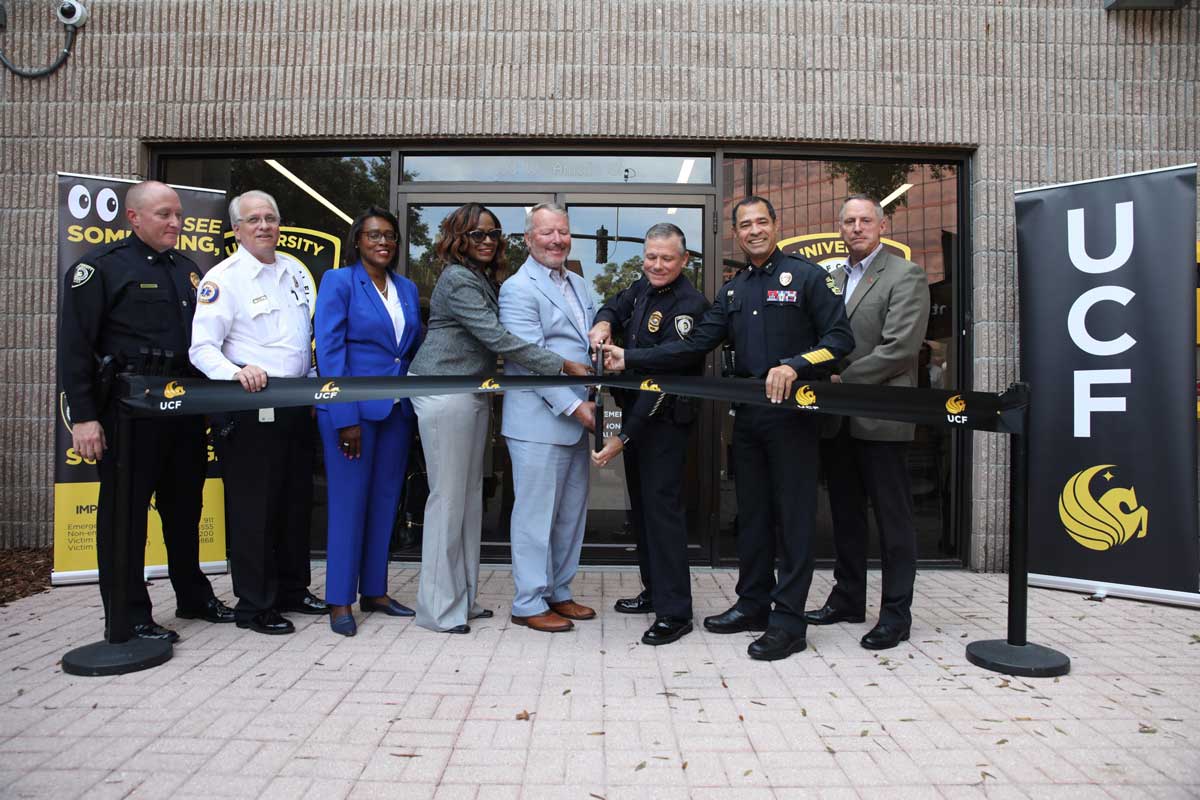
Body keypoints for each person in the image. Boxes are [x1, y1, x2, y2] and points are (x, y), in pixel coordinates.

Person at [603, 196, 854, 661]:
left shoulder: (806, 277)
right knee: (753, 515)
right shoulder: (733, 291)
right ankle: (753, 604)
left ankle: (788, 621)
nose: (753, 230)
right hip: (749, 417)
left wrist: (796, 365)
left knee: (794, 520)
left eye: (761, 222)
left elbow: (840, 340)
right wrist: (631, 357)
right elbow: (694, 344)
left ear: (775, 225)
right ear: (736, 233)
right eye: (744, 224)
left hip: (794, 416)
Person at [58, 180, 235, 643]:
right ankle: (129, 612)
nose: (175, 222)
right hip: (129, 411)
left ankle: (193, 596)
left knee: (185, 507)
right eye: (163, 214)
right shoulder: (99, 269)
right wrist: (84, 416)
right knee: (125, 514)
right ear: (134, 217)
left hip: (184, 406)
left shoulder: (189, 270)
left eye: (177, 214)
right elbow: (75, 348)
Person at [408, 203, 592, 634]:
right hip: (445, 391)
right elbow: (501, 339)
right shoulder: (462, 279)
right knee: (448, 502)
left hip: (471, 393)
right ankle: (439, 609)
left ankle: (465, 602)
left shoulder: (484, 279)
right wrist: (564, 366)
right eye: (477, 235)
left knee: (468, 501)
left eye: (492, 234)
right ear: (457, 238)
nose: (487, 241)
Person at [190, 190, 328, 635]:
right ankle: (254, 604)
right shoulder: (223, 279)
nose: (265, 226)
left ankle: (292, 588)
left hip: (294, 405)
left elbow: (297, 340)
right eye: (254, 220)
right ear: (237, 229)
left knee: (293, 502)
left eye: (271, 217)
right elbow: (201, 349)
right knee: (254, 510)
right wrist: (235, 373)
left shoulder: (292, 271)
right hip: (250, 410)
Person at [804, 195, 931, 650]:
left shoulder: (905, 274)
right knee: (846, 515)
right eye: (849, 221)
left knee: (893, 521)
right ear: (840, 228)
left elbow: (900, 348)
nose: (857, 228)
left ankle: (896, 614)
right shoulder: (833, 277)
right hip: (838, 419)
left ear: (883, 224)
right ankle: (847, 599)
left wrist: (839, 379)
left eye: (865, 220)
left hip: (880, 416)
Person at [588, 223, 709, 646]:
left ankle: (676, 612)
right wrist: (603, 323)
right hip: (639, 417)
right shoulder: (642, 287)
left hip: (663, 425)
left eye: (666, 258)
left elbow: (666, 374)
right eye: (651, 257)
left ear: (684, 260)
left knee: (663, 517)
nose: (657, 265)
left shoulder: (690, 304)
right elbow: (613, 305)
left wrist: (624, 438)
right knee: (641, 512)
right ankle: (654, 591)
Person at [313, 208, 423, 637]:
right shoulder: (339, 282)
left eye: (390, 236)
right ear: (357, 239)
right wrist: (345, 415)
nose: (383, 242)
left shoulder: (407, 288)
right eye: (374, 235)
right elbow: (331, 349)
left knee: (384, 503)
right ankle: (339, 599)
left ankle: (374, 591)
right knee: (348, 504)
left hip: (395, 410)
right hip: (352, 414)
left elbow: (405, 352)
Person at [498, 202, 598, 633]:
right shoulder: (517, 289)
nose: (557, 240)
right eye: (546, 233)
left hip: (580, 420)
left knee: (570, 516)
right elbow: (528, 362)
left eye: (563, 232)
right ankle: (527, 602)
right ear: (528, 239)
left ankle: (559, 591)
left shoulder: (577, 281)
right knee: (535, 518)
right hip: (540, 422)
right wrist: (577, 408)